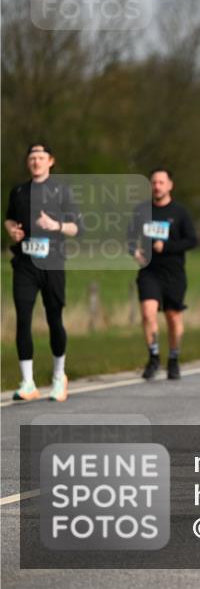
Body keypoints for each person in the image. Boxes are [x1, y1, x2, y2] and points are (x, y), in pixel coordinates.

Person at [5, 144, 80, 402]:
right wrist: (12, 230)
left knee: (54, 319)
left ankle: (59, 377)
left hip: (53, 262)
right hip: (25, 263)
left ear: (51, 161)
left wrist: (55, 225)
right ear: (28, 163)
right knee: (23, 319)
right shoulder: (18, 191)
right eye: (32, 158)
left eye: (41, 158)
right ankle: (28, 382)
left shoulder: (62, 191)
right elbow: (9, 219)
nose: (36, 162)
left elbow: (76, 228)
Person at [128, 169, 197, 381]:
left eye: (161, 182)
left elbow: (192, 241)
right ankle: (154, 357)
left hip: (174, 273)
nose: (157, 186)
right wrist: (135, 251)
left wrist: (166, 246)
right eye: (154, 182)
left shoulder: (180, 212)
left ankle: (174, 358)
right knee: (148, 314)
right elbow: (129, 237)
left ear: (169, 186)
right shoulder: (142, 211)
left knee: (173, 317)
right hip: (149, 271)